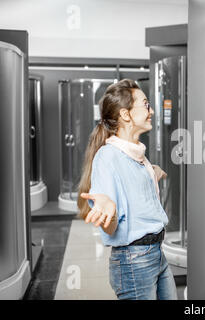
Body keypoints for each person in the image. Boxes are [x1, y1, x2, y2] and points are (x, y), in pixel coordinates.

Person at [77, 79, 177, 300]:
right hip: (134, 261)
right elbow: (111, 229)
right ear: (125, 114)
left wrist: (153, 172)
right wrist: (108, 211)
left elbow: (136, 186)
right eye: (146, 104)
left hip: (155, 253)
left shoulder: (137, 155)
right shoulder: (108, 156)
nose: (150, 111)